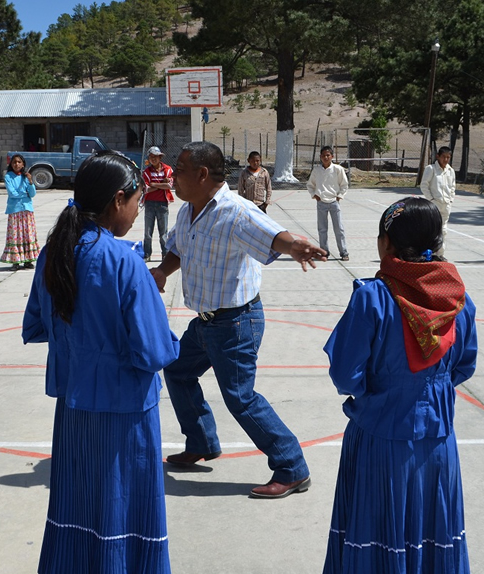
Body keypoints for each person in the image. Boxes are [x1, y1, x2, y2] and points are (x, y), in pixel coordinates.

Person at [23, 152, 180, 573]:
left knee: (79, 507)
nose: (136, 211)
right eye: (137, 201)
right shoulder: (124, 260)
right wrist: (173, 338)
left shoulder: (54, 252)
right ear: (117, 200)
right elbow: (153, 351)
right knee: (122, 509)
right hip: (125, 411)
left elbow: (36, 325)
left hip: (74, 408)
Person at [151, 141, 327, 499]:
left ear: (202, 175)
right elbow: (177, 249)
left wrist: (295, 247)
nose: (173, 176)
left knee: (240, 398)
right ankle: (201, 441)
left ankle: (292, 468)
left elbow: (272, 234)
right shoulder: (188, 211)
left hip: (235, 323)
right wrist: (162, 272)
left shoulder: (235, 211)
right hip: (204, 323)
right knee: (178, 370)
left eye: (180, 170)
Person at [323, 198, 477, 573]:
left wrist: (389, 391)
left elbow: (346, 375)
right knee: (431, 529)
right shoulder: (457, 300)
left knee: (377, 532)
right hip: (437, 443)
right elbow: (463, 365)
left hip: (380, 437)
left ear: (385, 244)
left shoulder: (372, 298)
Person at [307, 146, 350, 261]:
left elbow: (344, 185)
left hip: (334, 202)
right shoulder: (317, 170)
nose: (326, 157)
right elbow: (310, 185)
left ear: (332, 156)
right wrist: (314, 195)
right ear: (320, 157)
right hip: (321, 202)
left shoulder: (338, 169)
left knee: (339, 228)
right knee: (322, 229)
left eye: (328, 155)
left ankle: (343, 252)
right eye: (323, 155)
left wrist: (339, 196)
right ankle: (324, 251)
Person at [0, 153, 39, 270]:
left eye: (19, 162)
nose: (16, 164)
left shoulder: (26, 177)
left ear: (23, 164)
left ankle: (28, 260)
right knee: (15, 235)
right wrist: (24, 193)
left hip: (27, 210)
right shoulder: (8, 177)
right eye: (14, 162)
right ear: (11, 164)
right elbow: (12, 193)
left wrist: (30, 182)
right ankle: (15, 261)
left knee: (28, 235)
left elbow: (32, 194)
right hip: (15, 210)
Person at [420, 146, 456, 256]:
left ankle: (440, 254)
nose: (445, 160)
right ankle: (429, 253)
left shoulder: (450, 171)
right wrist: (431, 200)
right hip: (434, 205)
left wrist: (450, 200)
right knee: (433, 230)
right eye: (443, 157)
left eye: (448, 157)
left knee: (444, 231)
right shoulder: (431, 169)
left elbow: (453, 187)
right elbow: (424, 185)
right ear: (438, 156)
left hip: (445, 206)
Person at [141, 145, 174, 262]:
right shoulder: (146, 172)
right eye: (151, 157)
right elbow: (146, 189)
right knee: (148, 232)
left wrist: (154, 184)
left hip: (163, 204)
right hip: (149, 204)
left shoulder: (168, 169)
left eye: (155, 157)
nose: (153, 159)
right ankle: (147, 254)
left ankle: (165, 254)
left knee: (163, 233)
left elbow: (169, 185)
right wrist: (161, 184)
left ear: (160, 157)